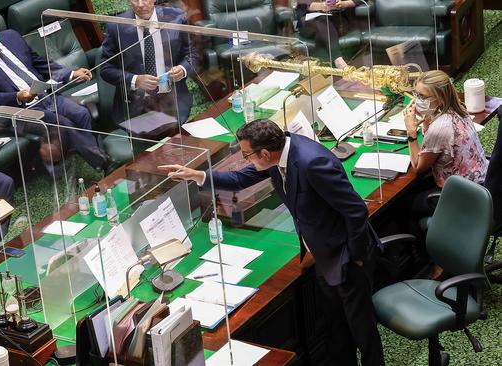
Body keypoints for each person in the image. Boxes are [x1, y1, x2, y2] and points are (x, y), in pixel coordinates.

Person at [160, 119, 385, 366]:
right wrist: (198, 175)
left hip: (348, 257)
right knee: (335, 327)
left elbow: (355, 211)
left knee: (362, 331)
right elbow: (239, 180)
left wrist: (357, 256)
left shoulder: (312, 163)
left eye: (247, 155)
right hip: (324, 256)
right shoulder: (278, 154)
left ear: (265, 153)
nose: (246, 160)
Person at [0, 12, 112, 173]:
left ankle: (91, 155)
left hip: (45, 95)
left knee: (81, 114)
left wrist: (70, 73)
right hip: (22, 110)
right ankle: (103, 163)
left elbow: (38, 62)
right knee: (63, 124)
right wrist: (17, 97)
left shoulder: (12, 37)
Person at [403, 70, 488, 217]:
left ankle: (423, 239)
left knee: (404, 203)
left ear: (440, 98)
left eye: (422, 96)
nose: (417, 100)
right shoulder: (458, 109)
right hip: (481, 184)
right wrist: (427, 117)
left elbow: (418, 166)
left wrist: (411, 133)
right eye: (416, 94)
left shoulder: (440, 127)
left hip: (464, 196)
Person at [100, 0, 196, 126]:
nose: (140, 4)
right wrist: (135, 80)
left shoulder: (175, 18)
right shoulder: (117, 26)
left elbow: (193, 54)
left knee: (177, 141)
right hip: (136, 108)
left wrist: (183, 69)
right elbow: (105, 68)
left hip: (173, 101)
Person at [296, 0, 359, 68]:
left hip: (336, 20)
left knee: (322, 31)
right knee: (321, 20)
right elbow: (305, 4)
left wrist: (343, 4)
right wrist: (323, 6)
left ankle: (325, 69)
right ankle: (338, 58)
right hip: (309, 21)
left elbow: (359, 1)